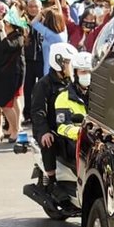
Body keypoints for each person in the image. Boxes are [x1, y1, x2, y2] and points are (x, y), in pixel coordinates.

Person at [31, 42, 77, 195]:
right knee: (48, 142)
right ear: (58, 62)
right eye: (68, 62)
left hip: (68, 125)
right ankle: (51, 181)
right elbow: (38, 111)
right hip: (50, 127)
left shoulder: (72, 83)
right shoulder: (44, 85)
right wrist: (44, 131)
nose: (71, 66)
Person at [54, 51, 91, 163]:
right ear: (74, 73)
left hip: (96, 144)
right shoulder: (63, 97)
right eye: (83, 72)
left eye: (90, 71)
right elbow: (62, 127)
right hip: (75, 145)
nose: (87, 75)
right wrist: (81, 132)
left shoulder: (100, 96)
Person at [22, 0, 44, 126]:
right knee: (28, 89)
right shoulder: (23, 21)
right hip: (28, 60)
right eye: (30, 6)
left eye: (35, 6)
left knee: (41, 89)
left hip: (41, 60)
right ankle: (27, 114)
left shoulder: (45, 21)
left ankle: (40, 113)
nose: (33, 9)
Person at [31, 6, 68, 74]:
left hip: (49, 69)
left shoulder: (49, 34)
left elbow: (33, 23)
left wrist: (42, 12)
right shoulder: (64, 32)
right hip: (60, 68)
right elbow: (59, 13)